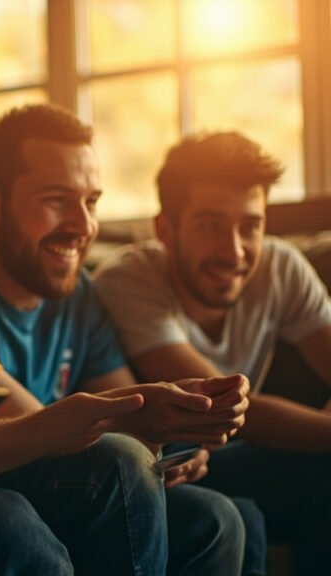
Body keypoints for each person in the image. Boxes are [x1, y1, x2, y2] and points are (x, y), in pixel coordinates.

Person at [0, 104, 261, 575]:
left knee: (219, 520)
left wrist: (174, 436)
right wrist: (143, 434)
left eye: (91, 202)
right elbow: (31, 427)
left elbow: (124, 400)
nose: (82, 226)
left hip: (69, 477)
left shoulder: (78, 293)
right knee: (123, 460)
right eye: (56, 200)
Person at [94, 131, 331, 574]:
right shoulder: (127, 281)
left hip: (237, 458)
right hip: (174, 466)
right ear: (166, 229)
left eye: (251, 226)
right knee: (240, 514)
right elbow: (222, 407)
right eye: (210, 225)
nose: (234, 250)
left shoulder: (280, 266)